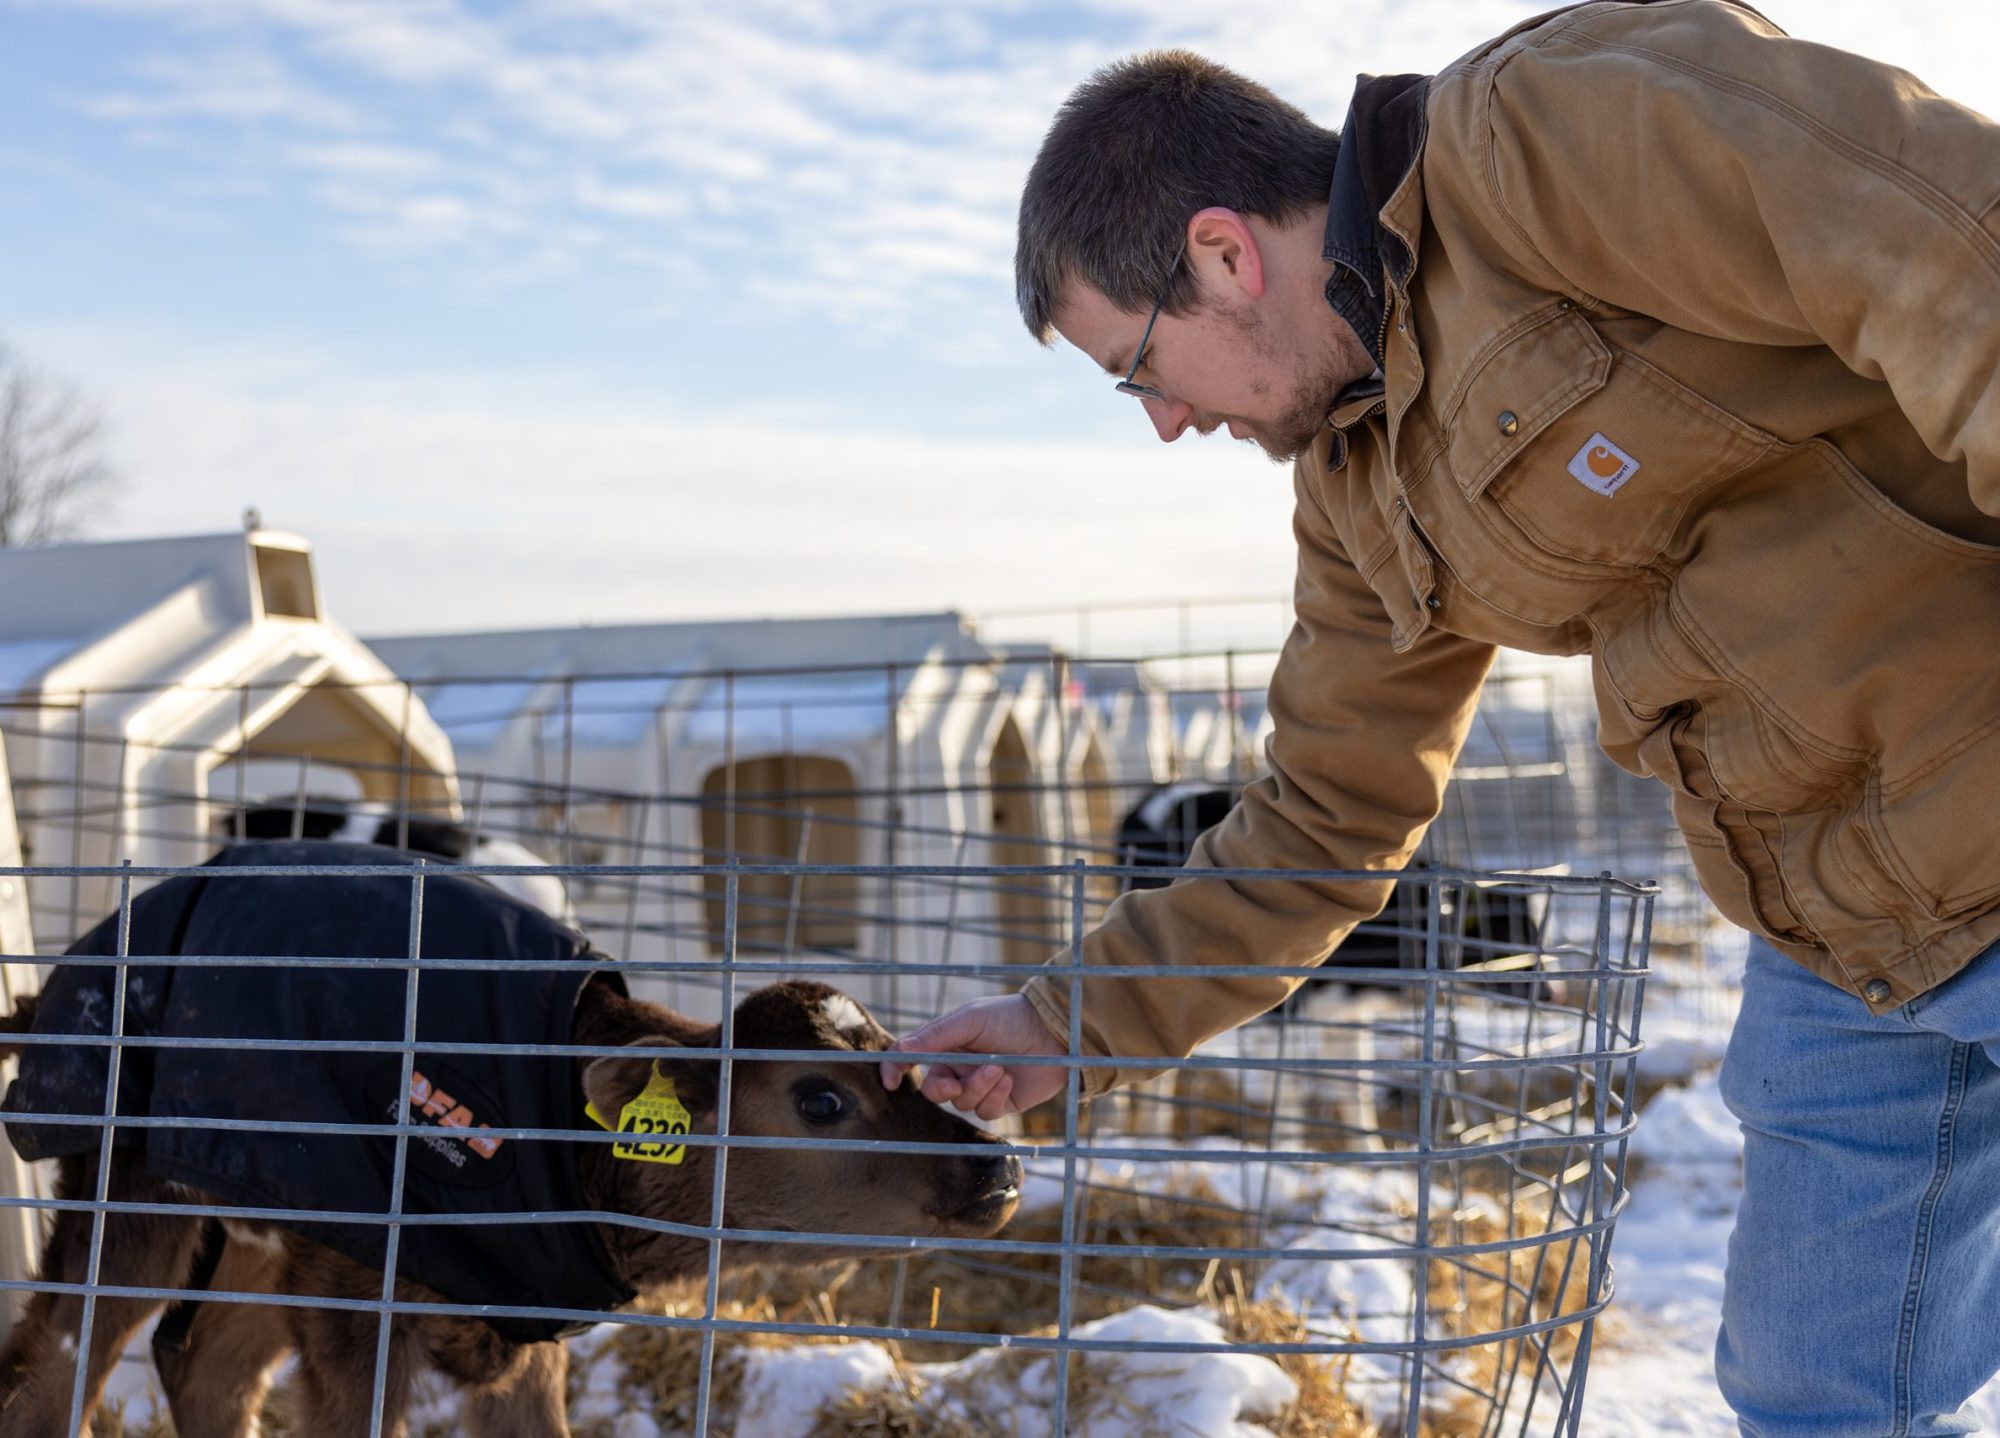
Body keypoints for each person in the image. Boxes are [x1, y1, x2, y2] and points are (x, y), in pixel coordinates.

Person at [879, 1, 2000, 1432]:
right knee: (1815, 1395)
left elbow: (1952, 251)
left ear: (1222, 253)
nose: (1160, 421)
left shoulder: (1539, 144)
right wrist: (1062, 1020)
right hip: (1844, 934)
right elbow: (1326, 812)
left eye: (1137, 369)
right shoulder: (1358, 489)